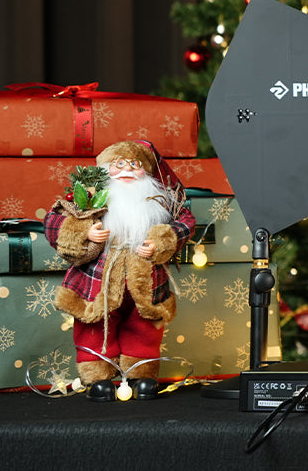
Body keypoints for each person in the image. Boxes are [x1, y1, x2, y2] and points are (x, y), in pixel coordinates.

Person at [45, 140, 198, 391]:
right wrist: (85, 231)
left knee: (145, 327)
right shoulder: (89, 196)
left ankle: (141, 374)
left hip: (147, 279)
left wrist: (159, 243)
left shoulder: (160, 200)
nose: (127, 169)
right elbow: (54, 220)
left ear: (146, 171)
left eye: (135, 165)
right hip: (97, 280)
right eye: (119, 164)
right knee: (93, 325)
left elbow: (185, 223)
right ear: (105, 169)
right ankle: (97, 377)